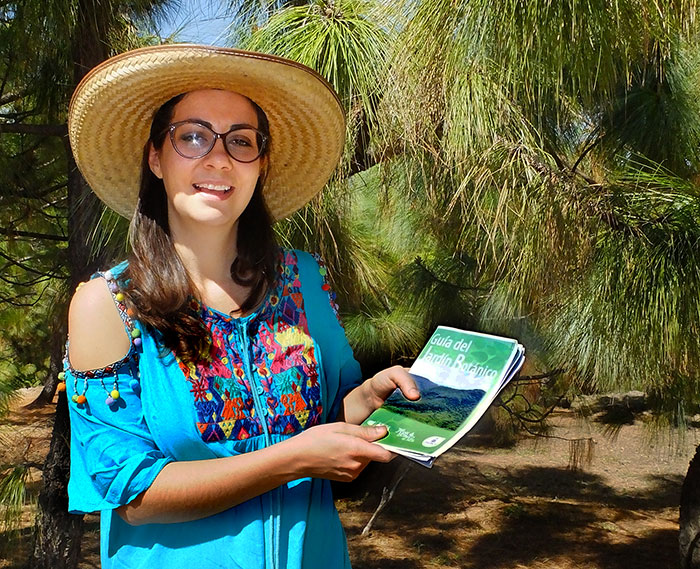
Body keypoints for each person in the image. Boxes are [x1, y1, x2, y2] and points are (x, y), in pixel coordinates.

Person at [62, 44, 419, 569]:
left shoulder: (306, 281)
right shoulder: (108, 305)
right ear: (155, 157)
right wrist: (289, 460)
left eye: (241, 141)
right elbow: (133, 495)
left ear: (261, 165)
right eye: (192, 136)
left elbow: (326, 423)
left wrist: (368, 396)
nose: (218, 157)